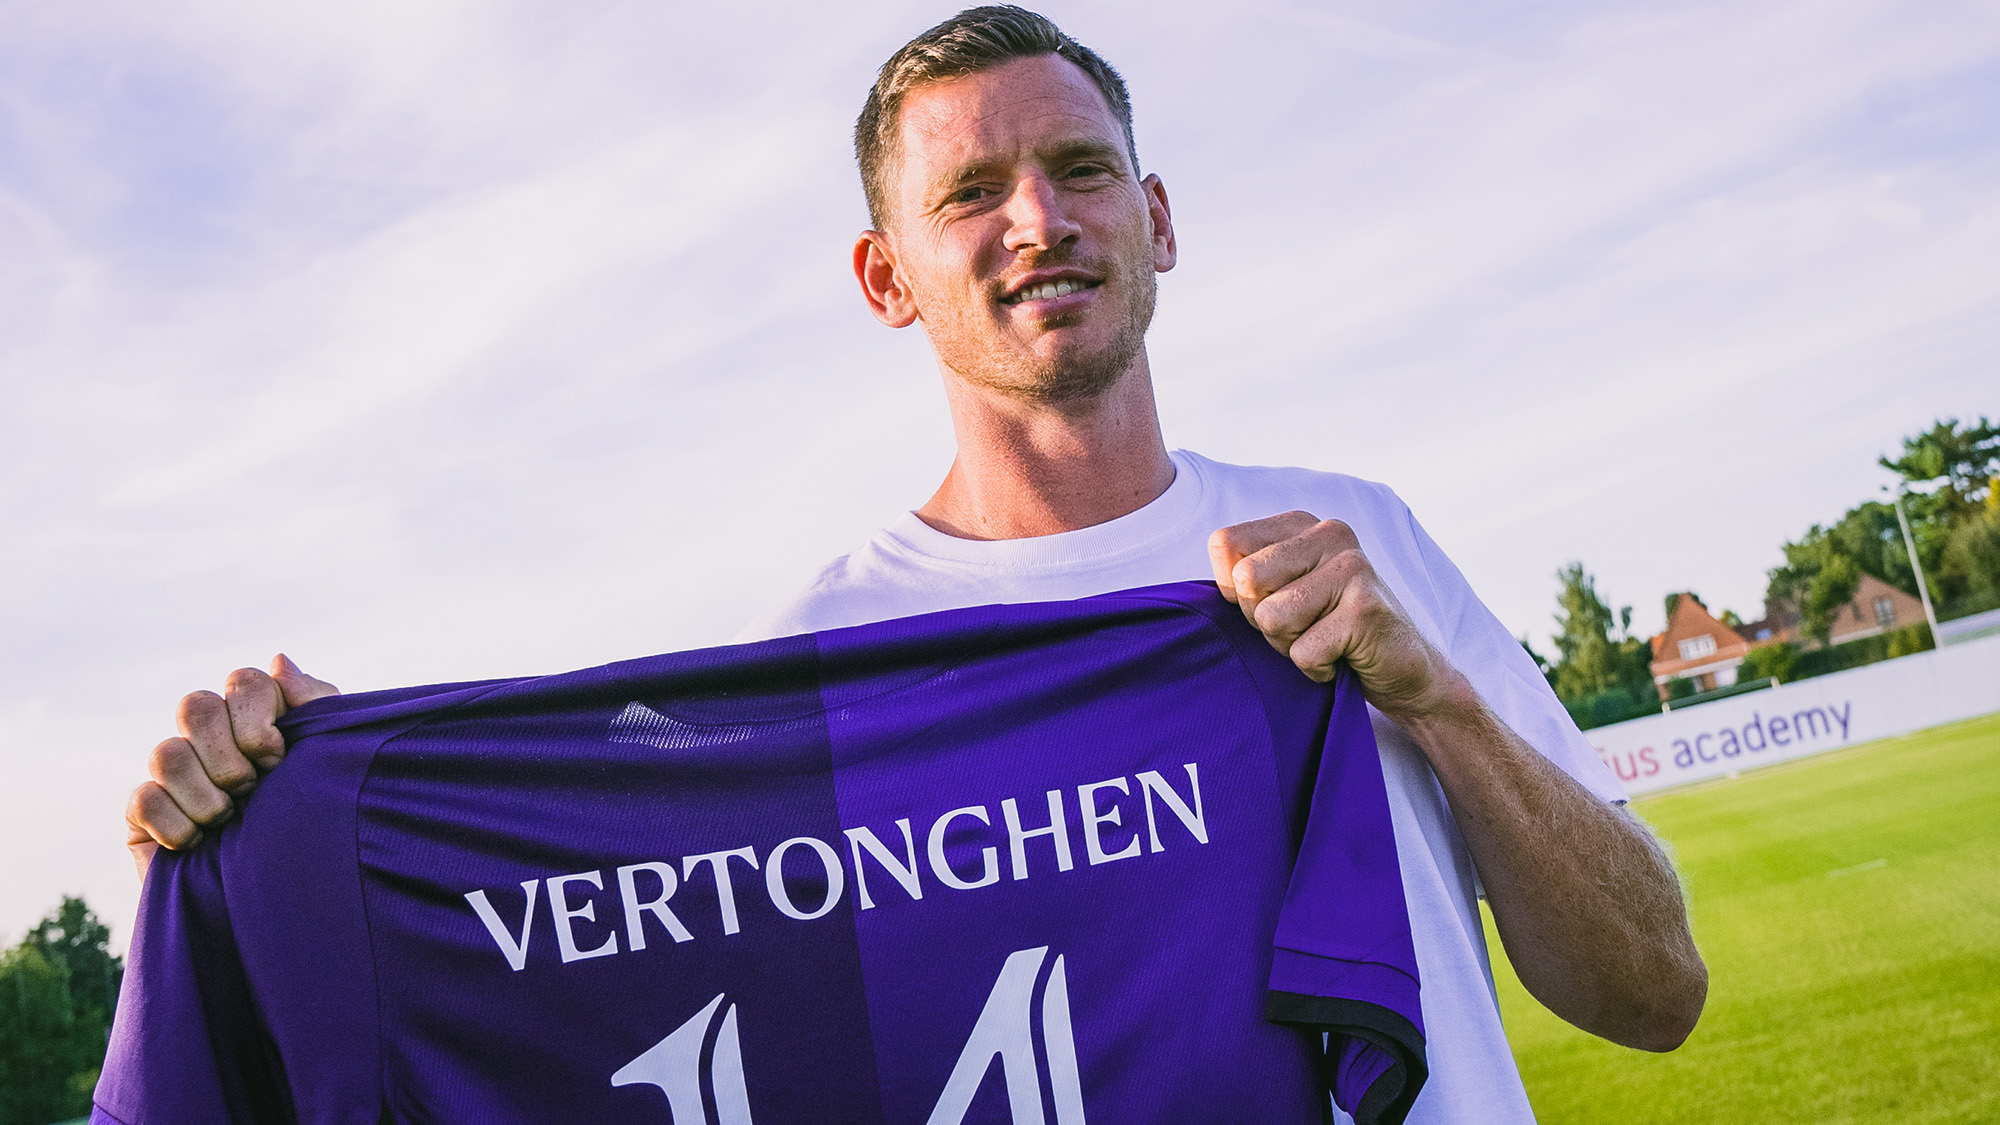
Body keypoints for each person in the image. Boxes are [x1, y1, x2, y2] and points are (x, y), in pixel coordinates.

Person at [124, 7, 1706, 1121]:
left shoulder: (1357, 538)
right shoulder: (820, 665)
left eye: (1082, 171)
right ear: (889, 277)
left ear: (1156, 218)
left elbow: (1655, 991)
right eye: (970, 193)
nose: (1040, 219)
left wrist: (1429, 701)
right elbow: (582, 940)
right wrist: (316, 793)